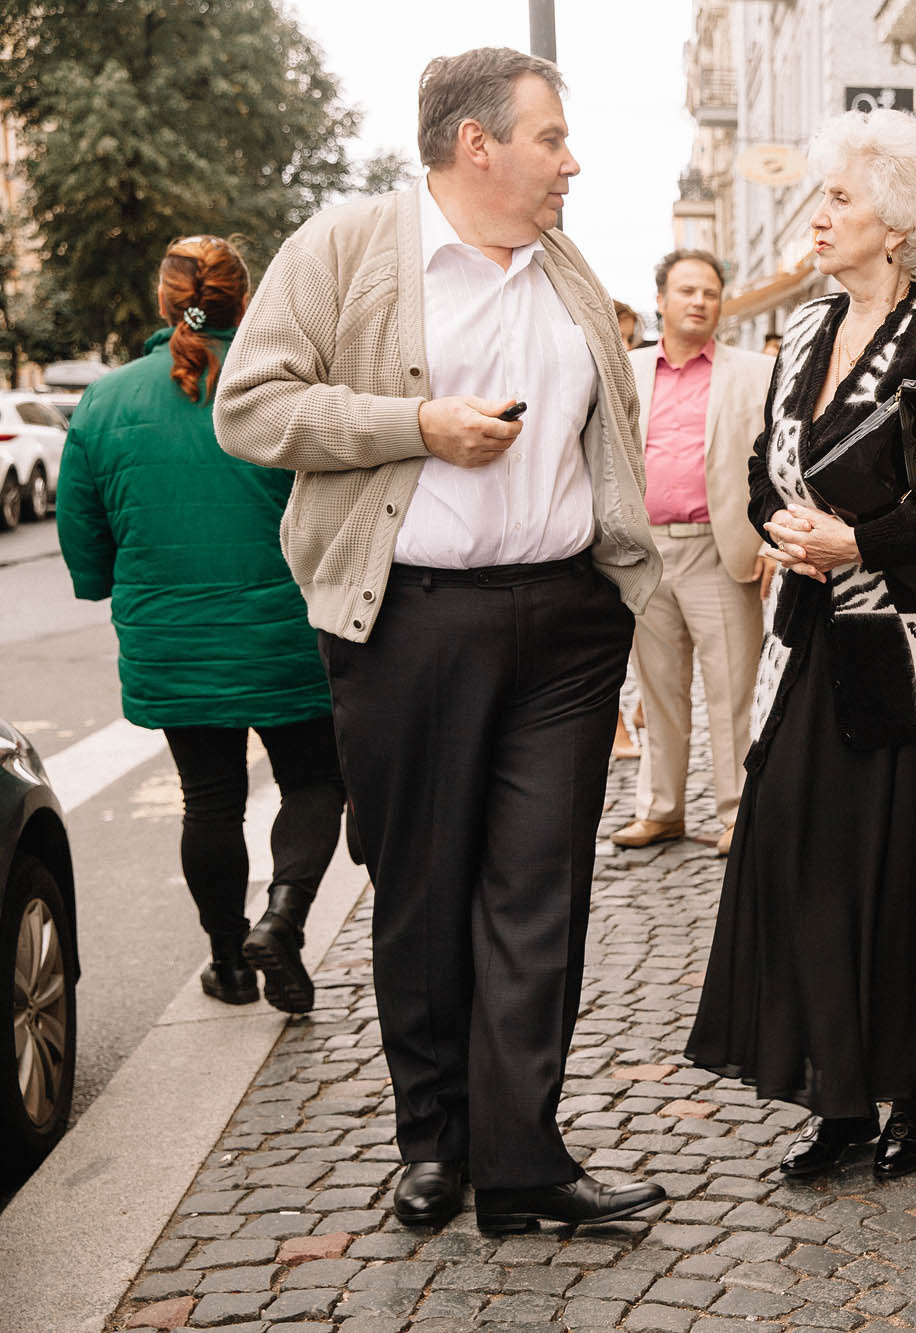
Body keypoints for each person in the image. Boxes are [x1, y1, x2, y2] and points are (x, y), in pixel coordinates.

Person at [214, 47, 667, 1236]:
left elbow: (605, 433)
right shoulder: (351, 247)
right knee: (421, 887)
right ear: (478, 146)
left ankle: (522, 1160)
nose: (572, 162)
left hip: (565, 625)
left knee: (540, 894)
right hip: (411, 621)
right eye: (550, 138)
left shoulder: (564, 266)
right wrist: (410, 424)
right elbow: (250, 407)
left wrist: (620, 589)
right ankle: (433, 1143)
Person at [685, 107, 916, 1183]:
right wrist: (780, 527)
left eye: (839, 196)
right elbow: (766, 462)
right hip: (815, 644)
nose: (819, 213)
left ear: (901, 221)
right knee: (800, 863)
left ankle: (913, 1093)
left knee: (903, 877)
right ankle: (836, 1096)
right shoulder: (801, 331)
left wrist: (865, 540)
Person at [56, 235, 346, 1017]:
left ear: (165, 299)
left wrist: (101, 581)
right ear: (246, 299)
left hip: (174, 633)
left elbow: (83, 530)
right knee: (317, 780)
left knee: (208, 800)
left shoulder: (107, 399)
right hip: (288, 624)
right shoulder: (283, 385)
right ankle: (281, 919)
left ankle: (229, 959)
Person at [610, 249, 776, 856]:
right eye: (686, 290)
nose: (699, 301)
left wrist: (771, 539)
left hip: (721, 548)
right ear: (661, 298)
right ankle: (661, 809)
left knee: (733, 687)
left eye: (709, 291)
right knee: (657, 688)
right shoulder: (628, 372)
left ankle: (738, 811)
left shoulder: (752, 373)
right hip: (647, 550)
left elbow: (776, 462)